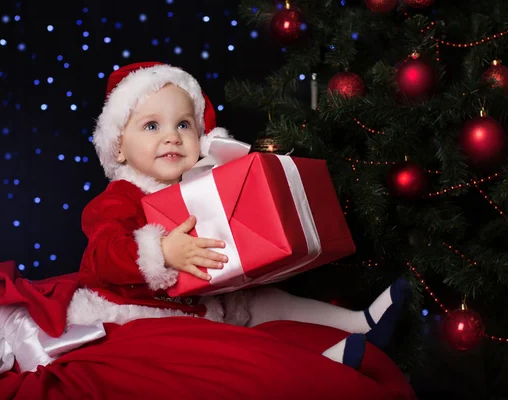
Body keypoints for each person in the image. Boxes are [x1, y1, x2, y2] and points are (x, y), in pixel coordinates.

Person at [67, 61, 413, 370]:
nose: (172, 136)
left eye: (184, 125)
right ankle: (315, 365)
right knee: (229, 353)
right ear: (119, 148)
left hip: (204, 300)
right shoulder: (121, 198)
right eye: (152, 127)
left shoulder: (204, 183)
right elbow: (103, 255)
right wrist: (163, 252)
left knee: (264, 301)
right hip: (141, 312)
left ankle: (359, 323)